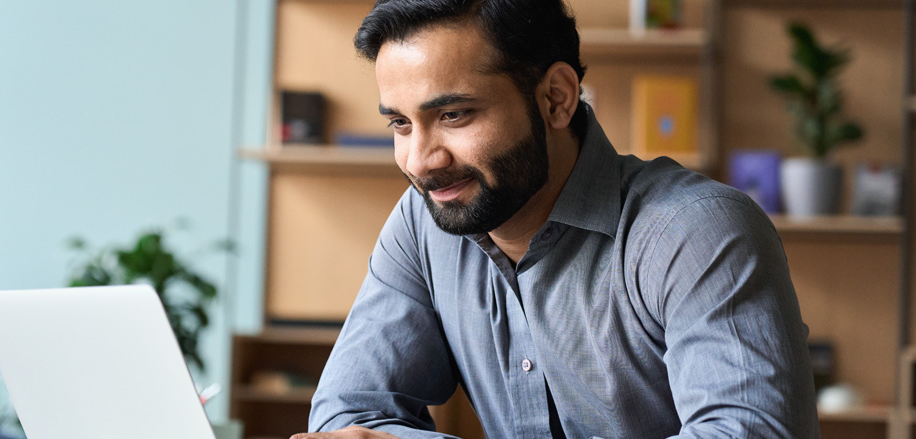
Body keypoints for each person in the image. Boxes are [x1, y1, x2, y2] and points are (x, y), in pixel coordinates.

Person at [291, 0, 818, 437]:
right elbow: (345, 417)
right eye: (402, 124)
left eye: (453, 115)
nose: (420, 161)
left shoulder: (697, 231)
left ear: (556, 99)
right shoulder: (423, 224)